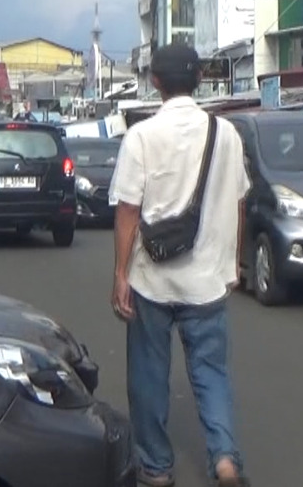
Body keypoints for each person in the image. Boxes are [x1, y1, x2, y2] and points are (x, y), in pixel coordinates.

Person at [110, 42, 251, 487]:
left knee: (149, 376)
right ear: (200, 80)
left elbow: (128, 210)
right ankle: (224, 459)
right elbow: (239, 202)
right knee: (212, 373)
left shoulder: (141, 137)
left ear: (155, 82)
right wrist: (233, 263)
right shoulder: (226, 134)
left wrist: (120, 274)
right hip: (207, 279)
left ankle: (155, 467)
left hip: (152, 279)